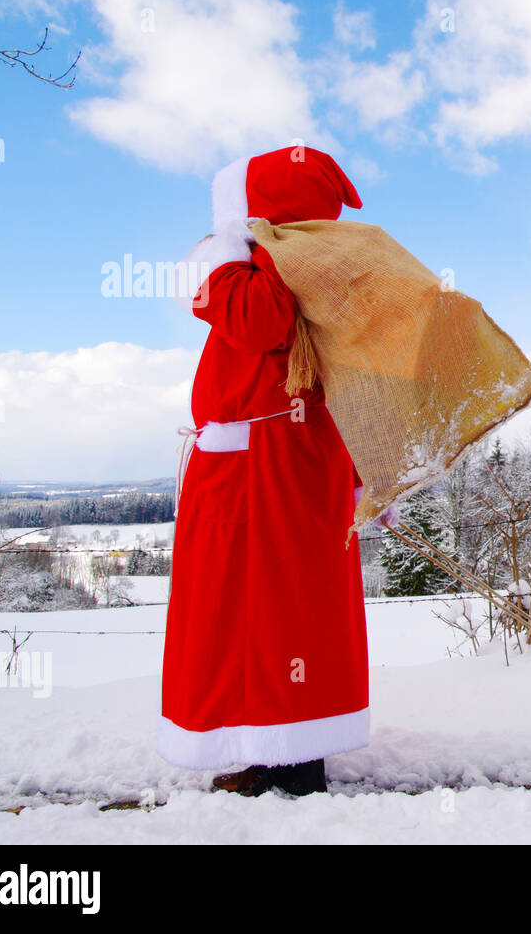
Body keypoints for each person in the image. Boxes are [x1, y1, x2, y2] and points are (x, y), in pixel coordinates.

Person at [160, 146, 370, 797]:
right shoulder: (299, 262)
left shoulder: (281, 264)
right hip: (277, 458)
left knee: (262, 609)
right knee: (280, 608)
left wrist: (219, 256)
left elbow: (257, 319)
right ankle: (275, 750)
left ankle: (278, 760)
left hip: (264, 467)